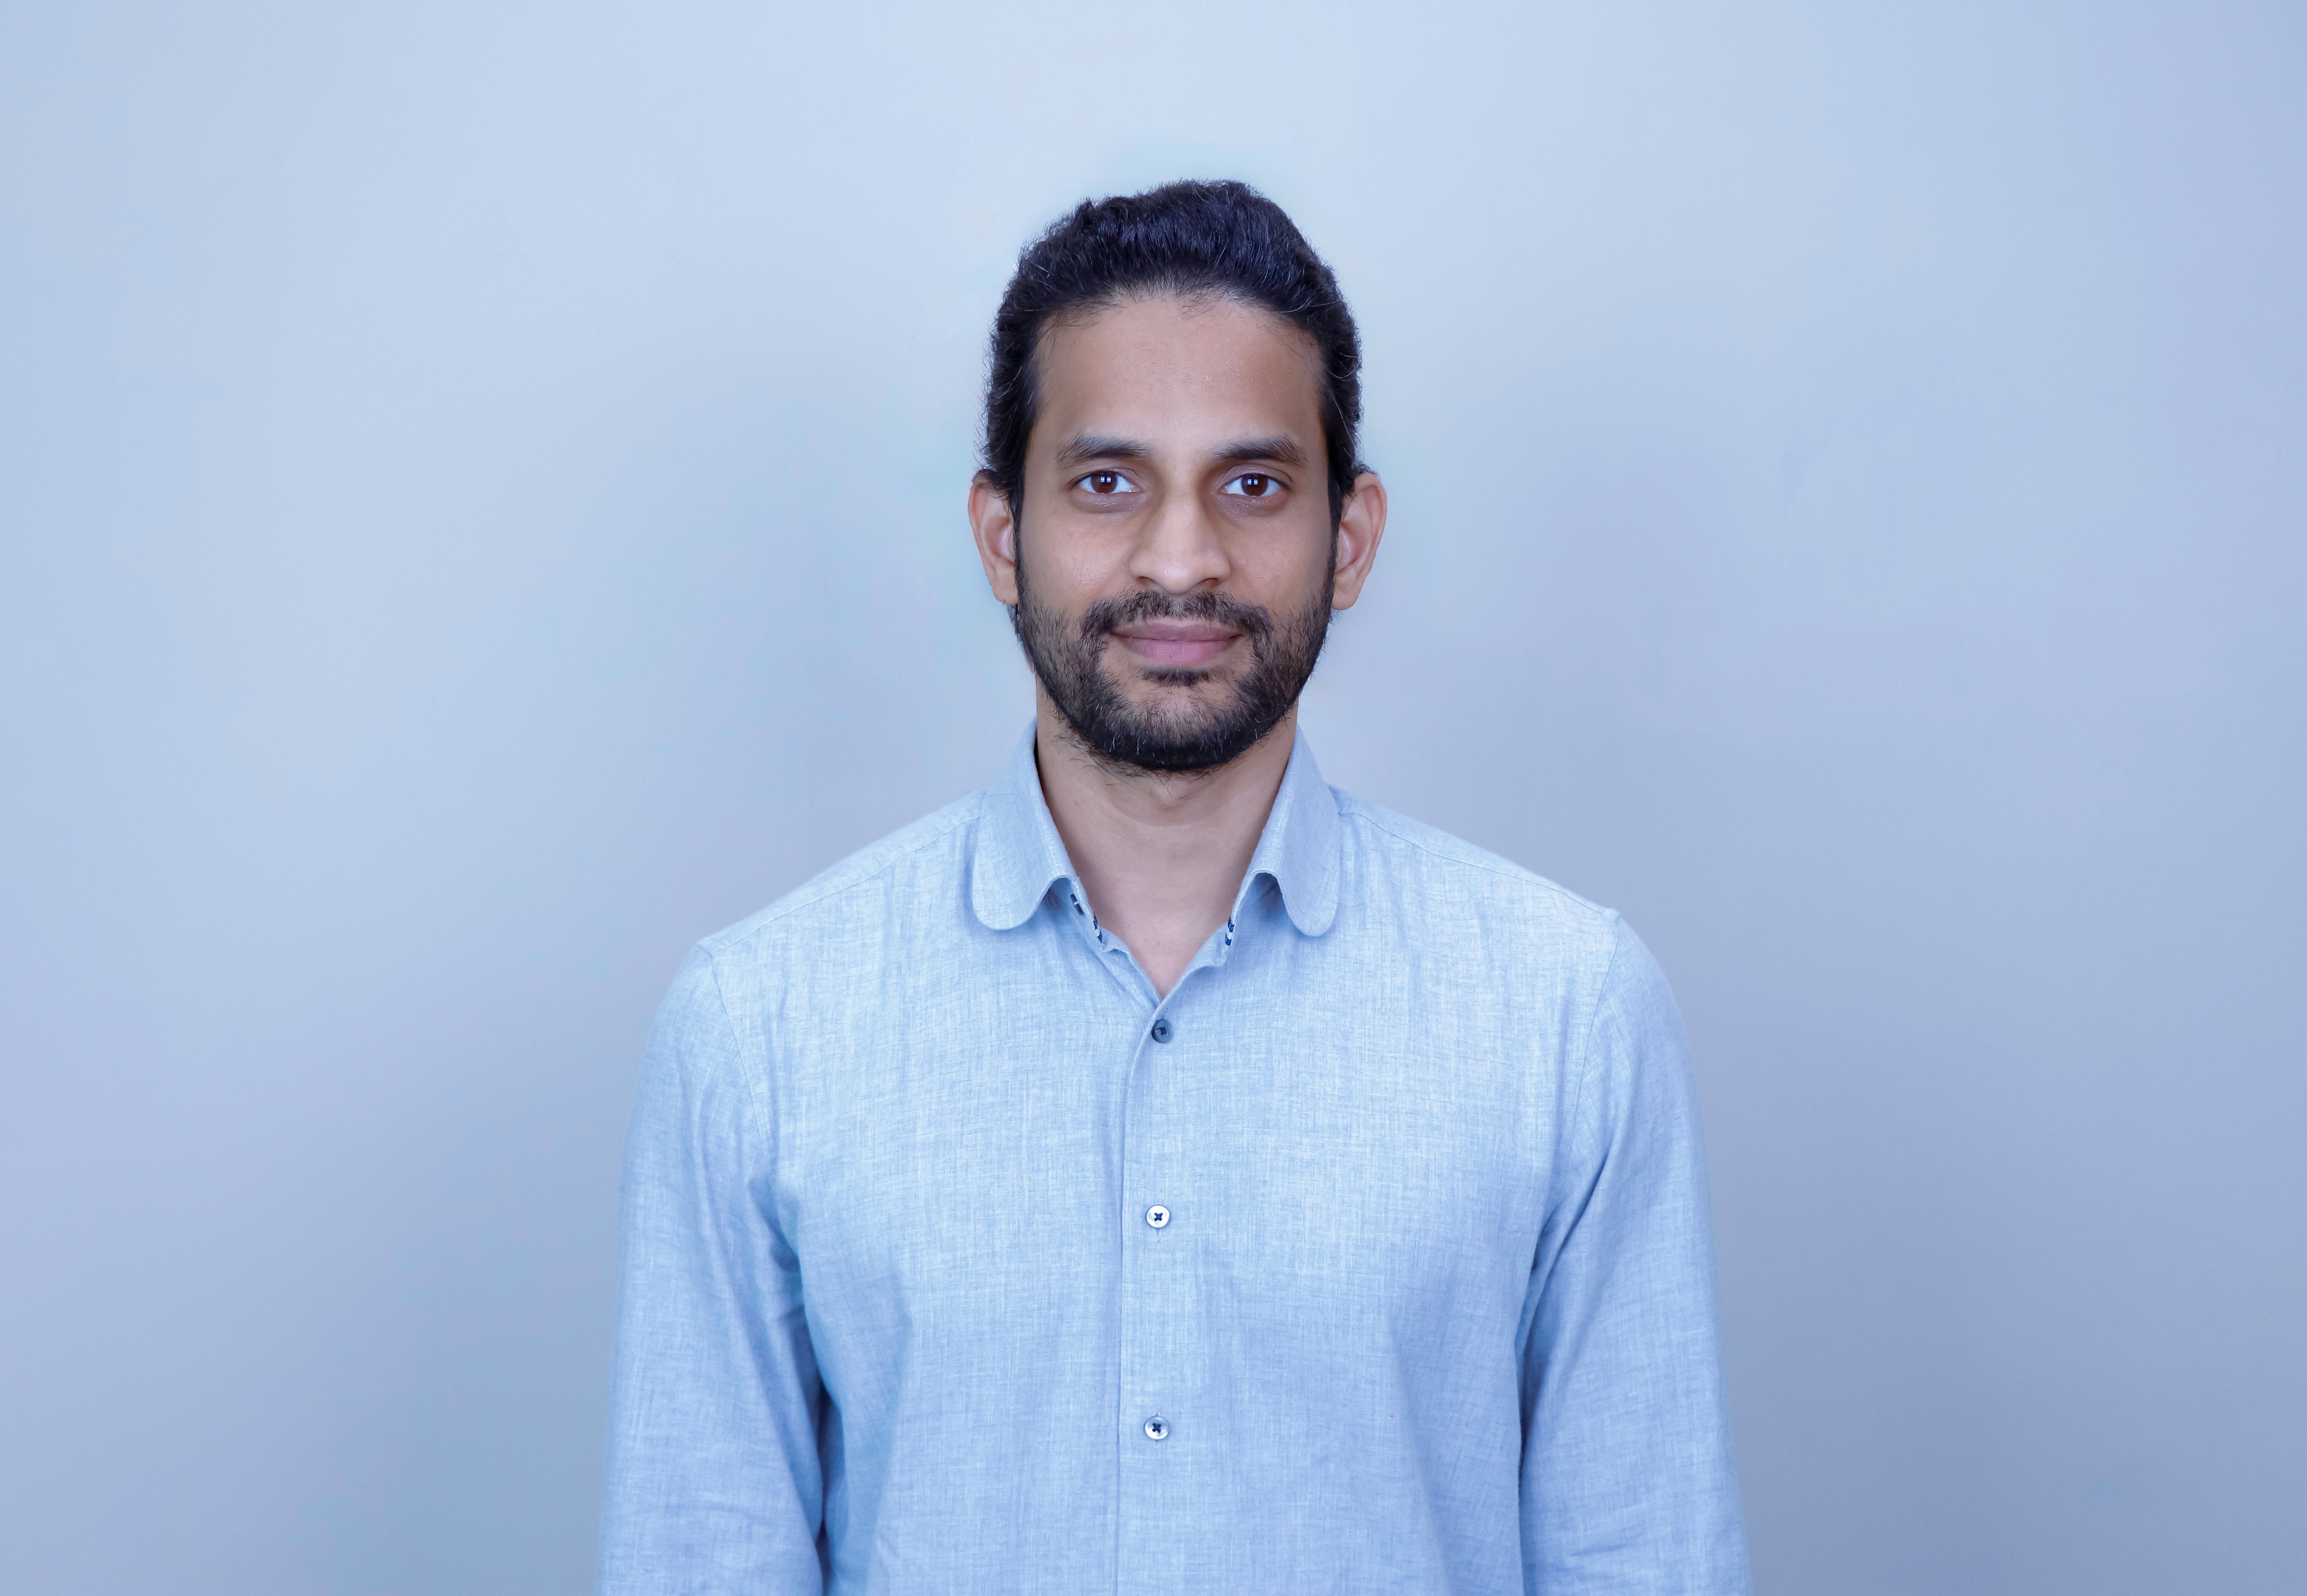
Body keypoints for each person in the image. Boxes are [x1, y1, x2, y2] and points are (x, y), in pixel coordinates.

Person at [598, 180, 1749, 1595]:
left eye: (1253, 483)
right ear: (1002, 534)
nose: (1182, 557)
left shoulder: (1568, 1014)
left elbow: (1646, 1559)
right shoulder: (761, 1028)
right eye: (1106, 480)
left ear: (1353, 534)